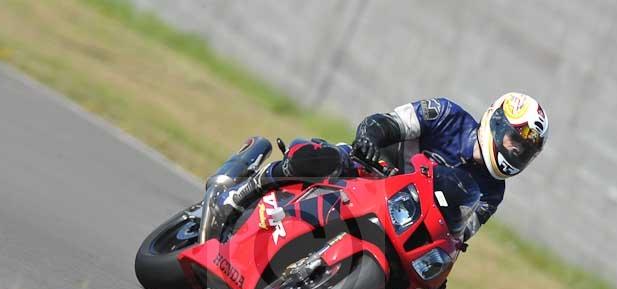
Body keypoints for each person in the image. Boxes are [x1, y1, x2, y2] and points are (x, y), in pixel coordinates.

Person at [215, 91, 549, 242]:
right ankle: (243, 192)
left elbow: (460, 234)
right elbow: (391, 122)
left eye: (525, 150)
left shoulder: (493, 191)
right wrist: (371, 134)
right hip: (370, 169)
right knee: (322, 156)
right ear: (496, 122)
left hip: (401, 220)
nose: (516, 152)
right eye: (514, 141)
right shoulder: (446, 115)